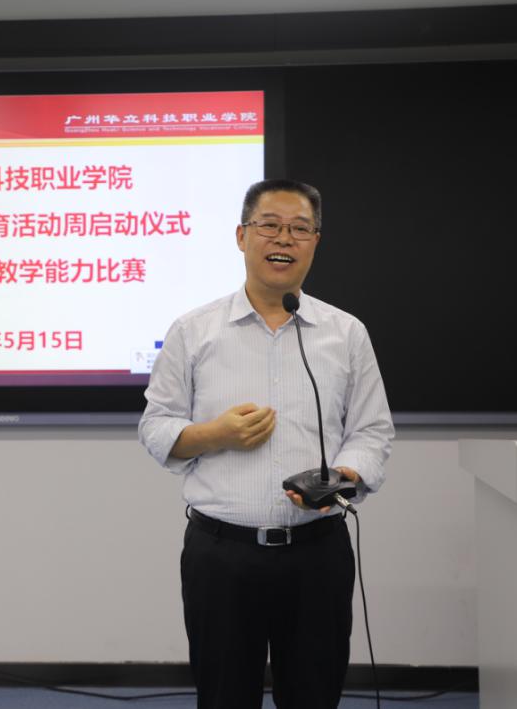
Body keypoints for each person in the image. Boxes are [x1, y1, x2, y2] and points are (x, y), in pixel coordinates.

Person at [138, 179, 393, 709]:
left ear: (316, 242)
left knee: (314, 697)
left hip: (318, 554)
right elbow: (156, 427)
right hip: (221, 557)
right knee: (224, 697)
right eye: (269, 225)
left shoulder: (346, 333)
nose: (283, 239)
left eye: (299, 229)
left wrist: (342, 477)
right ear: (241, 236)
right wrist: (215, 434)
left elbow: (371, 431)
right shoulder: (194, 331)